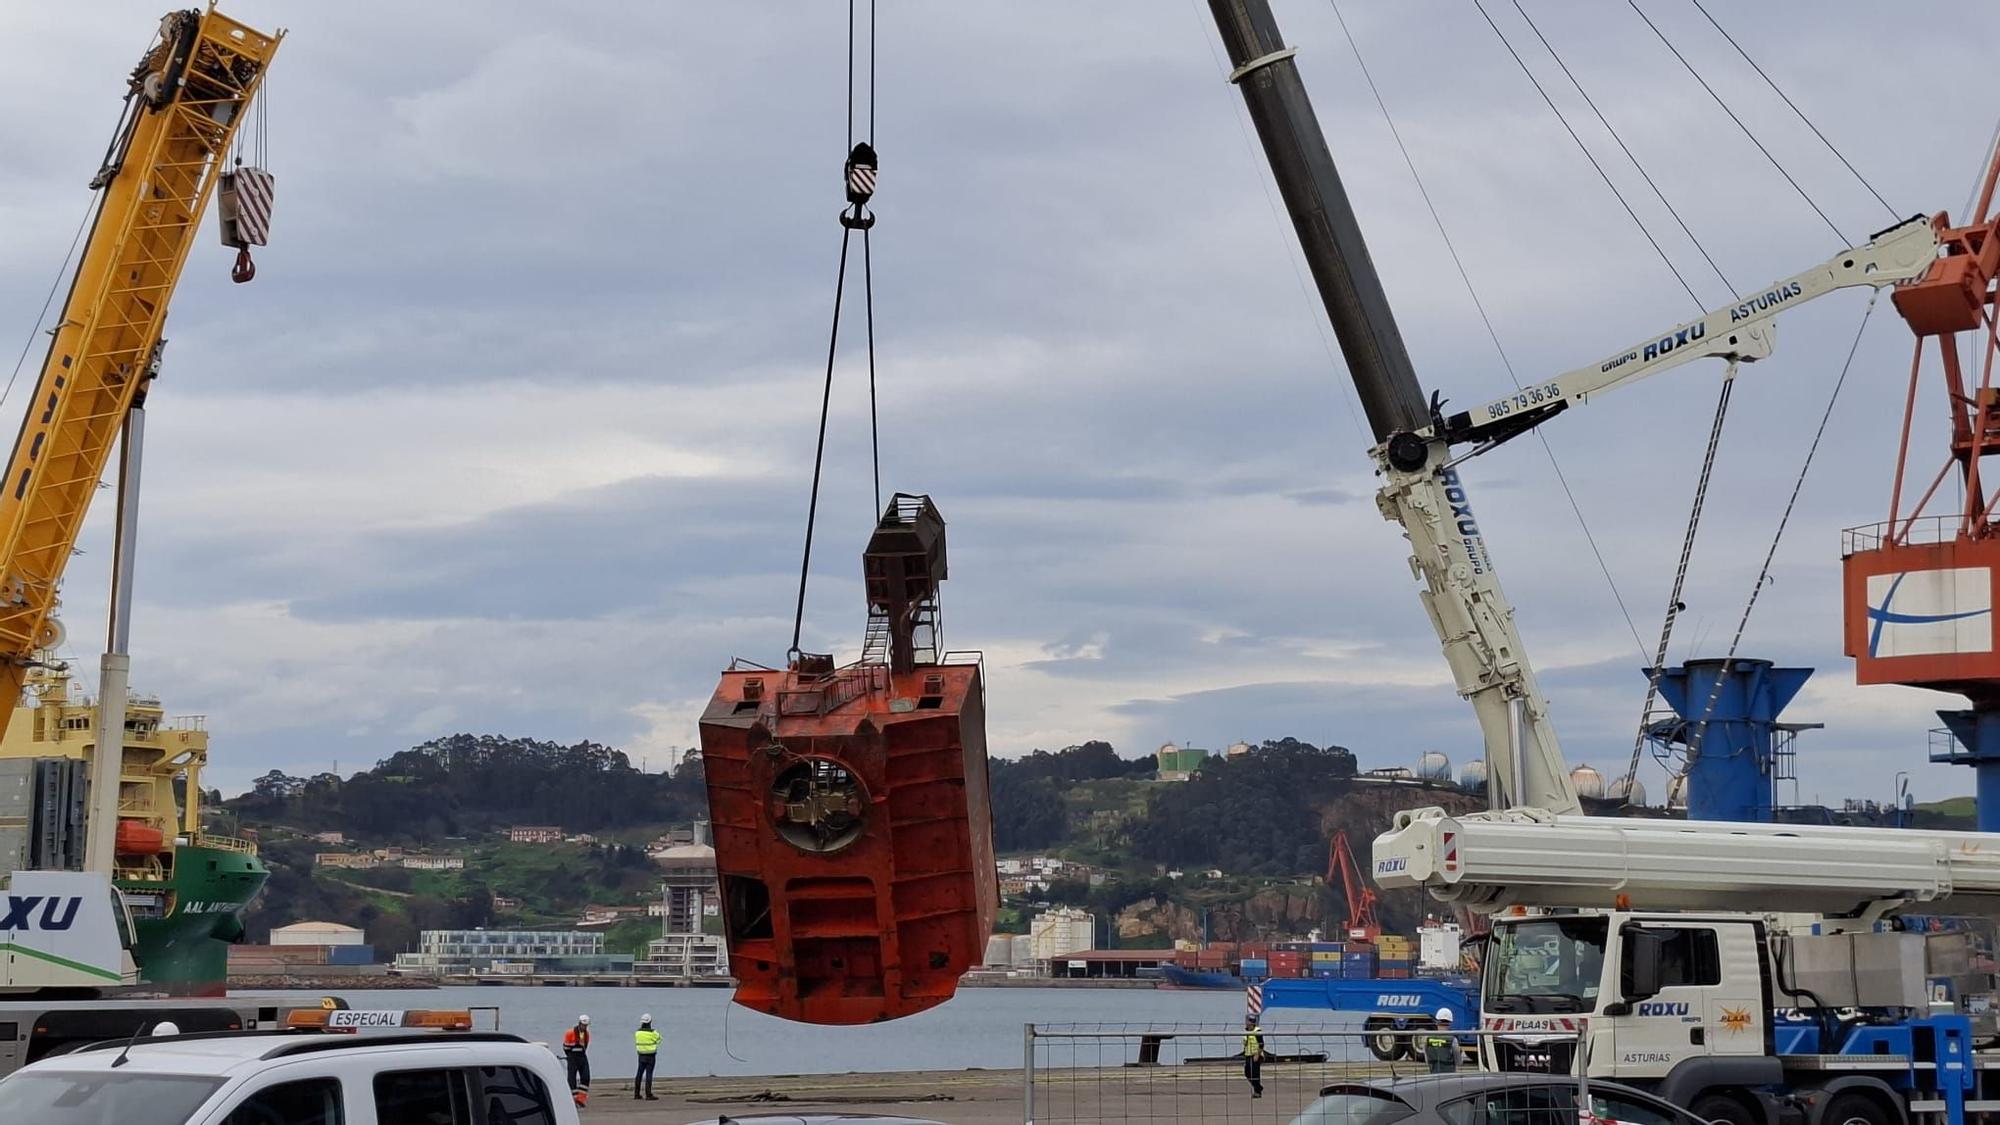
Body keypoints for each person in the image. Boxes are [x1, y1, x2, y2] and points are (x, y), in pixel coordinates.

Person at [563, 1014, 592, 1106]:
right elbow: (565, 1048)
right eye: (583, 1025)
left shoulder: (586, 1034)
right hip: (572, 1057)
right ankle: (573, 1099)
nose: (584, 1027)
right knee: (572, 1079)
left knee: (586, 1077)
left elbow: (585, 1046)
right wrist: (571, 1057)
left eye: (586, 1025)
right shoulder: (570, 1033)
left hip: (582, 1056)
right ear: (579, 1023)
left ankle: (581, 1099)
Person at [633, 1013, 661, 1100]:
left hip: (641, 1055)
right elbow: (659, 1040)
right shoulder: (653, 1033)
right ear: (650, 1022)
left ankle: (636, 1094)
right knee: (649, 1074)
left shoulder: (637, 1033)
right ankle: (648, 1094)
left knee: (639, 1074)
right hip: (651, 1055)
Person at [1424, 1008, 1459, 1074]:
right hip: (1449, 1076)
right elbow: (1458, 1061)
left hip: (1433, 1073)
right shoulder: (1453, 1040)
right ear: (1449, 1023)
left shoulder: (1428, 1039)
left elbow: (1427, 1059)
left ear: (1437, 1022)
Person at [1241, 1016, 1266, 1099]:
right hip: (1248, 1054)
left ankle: (1257, 1092)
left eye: (1248, 1021)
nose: (1246, 1023)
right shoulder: (1246, 1031)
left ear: (1251, 1023)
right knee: (1247, 1072)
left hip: (1256, 1055)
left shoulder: (1257, 1031)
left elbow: (1261, 1044)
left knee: (1255, 1074)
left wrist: (1257, 1054)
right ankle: (1259, 1087)